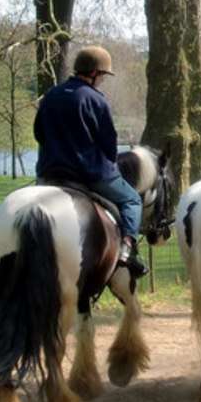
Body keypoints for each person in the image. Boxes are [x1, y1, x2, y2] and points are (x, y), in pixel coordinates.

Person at [33, 45, 148, 278]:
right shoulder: (96, 100)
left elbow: (38, 133)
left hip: (50, 173)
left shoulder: (50, 96)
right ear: (95, 73)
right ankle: (128, 249)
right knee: (132, 200)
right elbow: (108, 143)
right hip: (89, 174)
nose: (103, 80)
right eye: (103, 75)